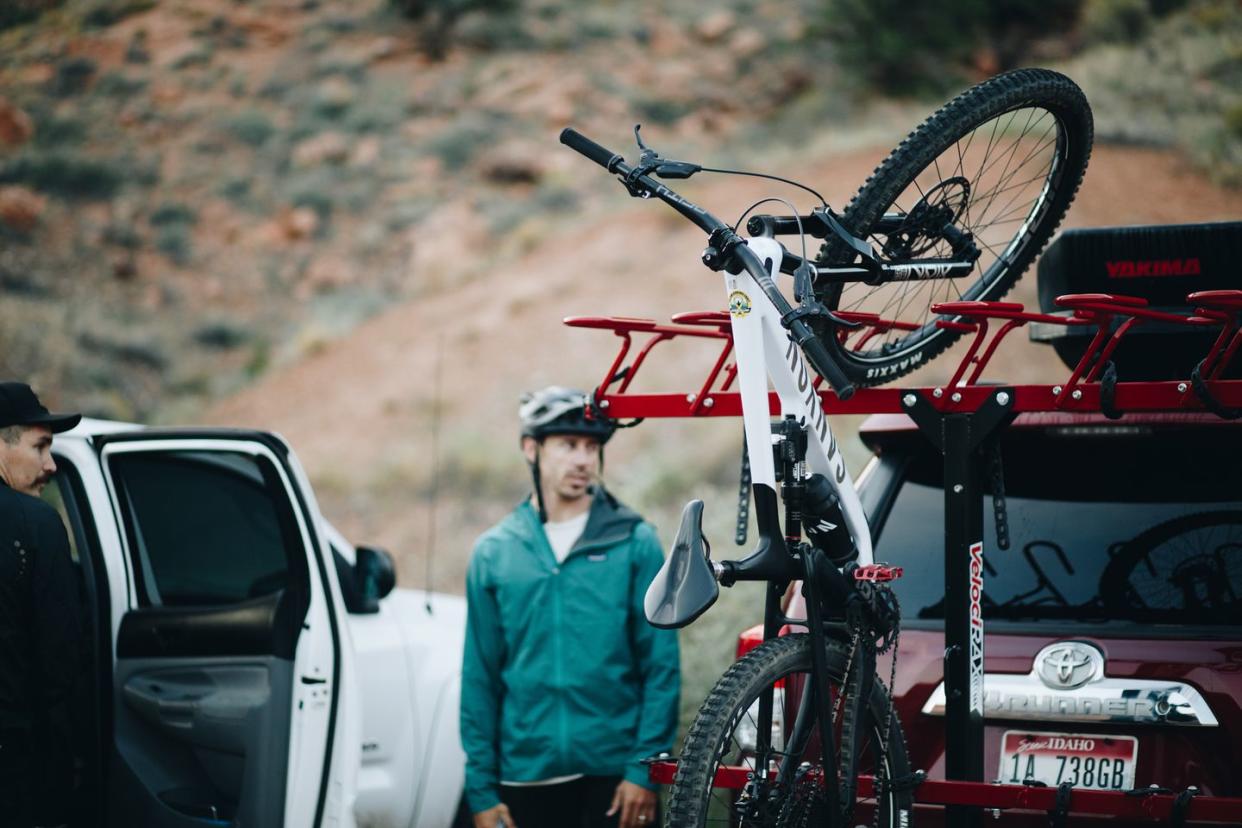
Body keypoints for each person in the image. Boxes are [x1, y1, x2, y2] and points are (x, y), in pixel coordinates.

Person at [461, 387, 680, 828]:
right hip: (526, 779)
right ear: (531, 448)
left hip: (615, 778)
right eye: (567, 445)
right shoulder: (494, 553)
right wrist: (480, 791)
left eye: (591, 446)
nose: (582, 459)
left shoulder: (634, 541)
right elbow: (479, 677)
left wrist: (644, 769)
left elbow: (661, 666)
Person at [0, 382, 83, 828]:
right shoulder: (37, 524)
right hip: (15, 765)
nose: (50, 465)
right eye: (41, 447)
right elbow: (59, 662)